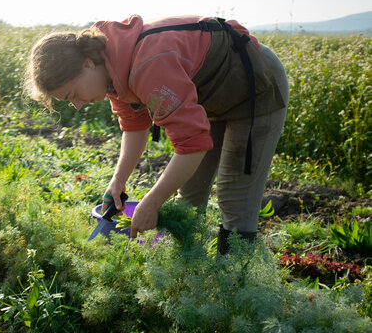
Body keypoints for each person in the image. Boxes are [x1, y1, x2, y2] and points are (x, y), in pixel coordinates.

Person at [25, 14, 289, 254]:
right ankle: (187, 269)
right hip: (212, 98)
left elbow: (193, 145)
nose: (78, 105)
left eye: (72, 94)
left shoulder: (147, 65)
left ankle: (237, 286)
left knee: (234, 199)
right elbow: (134, 125)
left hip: (255, 89)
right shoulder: (112, 70)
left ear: (87, 64)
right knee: (189, 195)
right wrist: (118, 181)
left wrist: (151, 203)